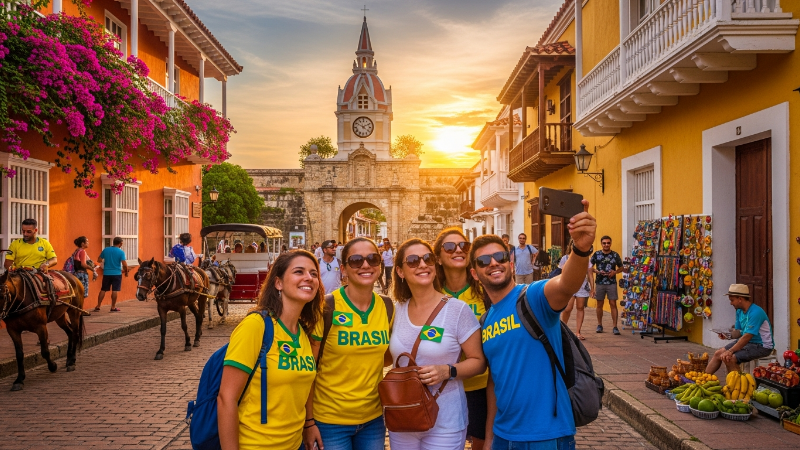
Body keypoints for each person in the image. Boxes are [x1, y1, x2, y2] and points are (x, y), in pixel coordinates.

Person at [469, 200, 596, 449]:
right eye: (483, 261)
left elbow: (565, 285)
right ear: (475, 273)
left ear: (511, 263)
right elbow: (495, 381)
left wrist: (580, 250)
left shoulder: (532, 297)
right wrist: (490, 438)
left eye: (500, 257)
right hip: (504, 436)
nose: (493, 263)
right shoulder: (485, 321)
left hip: (546, 435)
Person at [218, 250, 324, 450]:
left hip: (295, 445)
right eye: (299, 272)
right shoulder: (256, 326)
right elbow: (226, 398)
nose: (308, 278)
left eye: (314, 273)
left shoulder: (302, 332)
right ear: (278, 283)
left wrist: (309, 424)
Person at [388, 238, 486, 449]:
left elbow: (479, 361)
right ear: (400, 271)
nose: (423, 264)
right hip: (403, 417)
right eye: (413, 261)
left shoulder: (458, 310)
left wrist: (447, 370)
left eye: (428, 259)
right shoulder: (396, 310)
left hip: (446, 420)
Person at [303, 238, 391, 450]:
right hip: (330, 421)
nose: (365, 265)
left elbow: (386, 356)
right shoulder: (326, 308)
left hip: (373, 420)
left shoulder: (388, 307)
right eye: (356, 260)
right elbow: (308, 370)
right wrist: (309, 421)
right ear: (343, 269)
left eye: (372, 258)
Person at [433, 228, 489, 450]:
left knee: (482, 442)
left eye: (464, 246)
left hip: (481, 383)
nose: (458, 250)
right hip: (442, 386)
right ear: (437, 257)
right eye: (449, 247)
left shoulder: (485, 291)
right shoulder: (430, 292)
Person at [706, 284, 774, 375]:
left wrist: (730, 351)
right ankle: (702, 379)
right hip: (749, 343)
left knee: (730, 358)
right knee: (718, 353)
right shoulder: (739, 311)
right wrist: (728, 335)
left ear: (740, 299)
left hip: (762, 346)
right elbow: (739, 332)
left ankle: (736, 387)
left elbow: (747, 336)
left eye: (732, 300)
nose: (731, 303)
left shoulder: (756, 312)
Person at [558, 240, 594, 340]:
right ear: (571, 246)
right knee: (567, 308)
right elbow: (562, 273)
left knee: (580, 307)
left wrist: (592, 288)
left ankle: (578, 332)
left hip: (582, 286)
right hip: (569, 285)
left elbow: (590, 273)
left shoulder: (586, 259)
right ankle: (563, 329)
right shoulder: (565, 258)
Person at [590, 235, 624, 335]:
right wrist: (596, 271)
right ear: (601, 244)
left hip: (611, 283)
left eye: (608, 243)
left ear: (610, 244)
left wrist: (615, 272)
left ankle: (615, 326)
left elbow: (621, 267)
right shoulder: (596, 254)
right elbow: (589, 267)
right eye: (604, 243)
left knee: (613, 304)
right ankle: (599, 324)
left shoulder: (615, 255)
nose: (606, 245)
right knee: (599, 304)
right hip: (600, 282)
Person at [94, 237, 128, 312]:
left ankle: (98, 306)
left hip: (106, 273)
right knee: (115, 290)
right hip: (117, 273)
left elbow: (99, 259)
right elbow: (124, 264)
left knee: (103, 289)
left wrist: (105, 262)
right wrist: (126, 271)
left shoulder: (106, 250)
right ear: (120, 243)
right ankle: (113, 307)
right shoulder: (121, 252)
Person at [69, 236, 98, 314]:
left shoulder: (76, 251)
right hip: (81, 274)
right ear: (82, 243)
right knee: (81, 293)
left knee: (77, 292)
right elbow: (84, 264)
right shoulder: (82, 252)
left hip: (76, 273)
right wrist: (92, 269)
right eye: (87, 241)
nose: (88, 243)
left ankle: (78, 309)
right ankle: (80, 310)